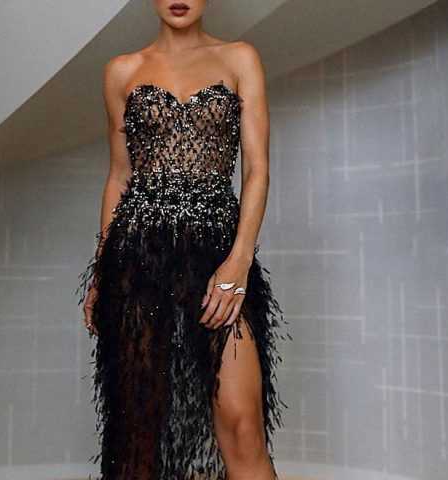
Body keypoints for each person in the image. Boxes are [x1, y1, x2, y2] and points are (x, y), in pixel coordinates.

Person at [75, 1, 291, 478]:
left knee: (242, 424)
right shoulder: (121, 70)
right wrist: (101, 271)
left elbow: (256, 171)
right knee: (136, 432)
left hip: (217, 255)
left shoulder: (239, 58)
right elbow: (119, 177)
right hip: (137, 258)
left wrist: (239, 262)